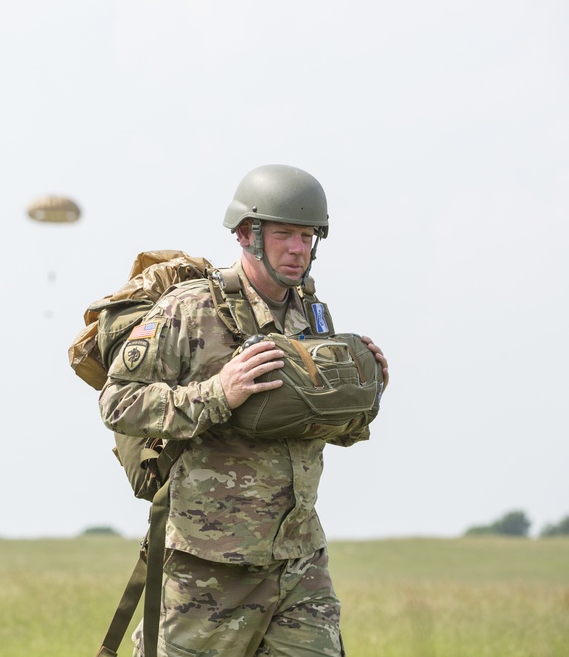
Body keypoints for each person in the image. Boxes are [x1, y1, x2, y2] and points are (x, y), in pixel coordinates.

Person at [99, 165, 389, 656]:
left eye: (307, 236)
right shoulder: (190, 309)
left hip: (299, 561)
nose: (298, 249)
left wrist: (364, 397)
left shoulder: (312, 314)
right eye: (284, 235)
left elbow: (315, 425)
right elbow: (118, 401)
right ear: (245, 234)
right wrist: (218, 392)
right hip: (209, 566)